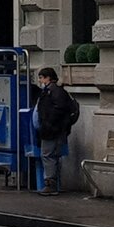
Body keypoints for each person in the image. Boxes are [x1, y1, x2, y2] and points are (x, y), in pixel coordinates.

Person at [33, 67, 76, 196]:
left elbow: (57, 110)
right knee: (53, 155)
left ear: (48, 78)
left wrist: (48, 124)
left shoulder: (53, 92)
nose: (40, 80)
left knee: (47, 155)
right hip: (54, 129)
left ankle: (50, 184)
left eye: (41, 77)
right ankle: (54, 183)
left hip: (51, 130)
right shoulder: (54, 91)